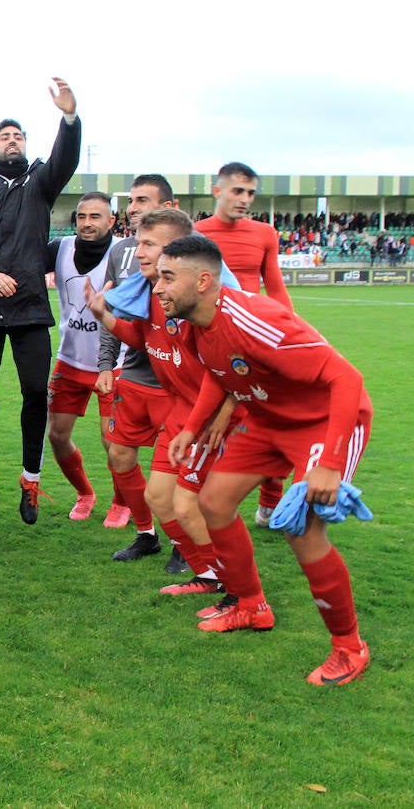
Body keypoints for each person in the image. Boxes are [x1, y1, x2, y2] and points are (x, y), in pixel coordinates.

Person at [159, 235, 372, 686]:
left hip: (326, 422)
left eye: (167, 277)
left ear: (203, 281)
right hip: (269, 418)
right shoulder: (196, 326)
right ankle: (251, 606)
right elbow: (222, 375)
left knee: (304, 531)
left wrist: (330, 462)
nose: (158, 287)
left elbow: (345, 377)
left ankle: (349, 648)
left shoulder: (255, 318)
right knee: (214, 502)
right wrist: (192, 429)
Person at [0, 78, 81, 524]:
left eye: (19, 136)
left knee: (34, 392)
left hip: (29, 312)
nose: (13, 141)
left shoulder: (39, 183)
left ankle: (31, 481)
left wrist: (68, 118)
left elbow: (65, 159)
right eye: (5, 136)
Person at [84, 209, 225, 594]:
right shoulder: (147, 290)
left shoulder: (194, 302)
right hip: (161, 396)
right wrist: (104, 315)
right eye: (138, 240)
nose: (138, 249)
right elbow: (143, 337)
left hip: (193, 407)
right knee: (144, 480)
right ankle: (203, 571)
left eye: (148, 243)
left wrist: (218, 414)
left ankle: (219, 574)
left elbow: (225, 366)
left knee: (191, 501)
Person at [194, 162, 291, 528]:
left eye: (251, 192)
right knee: (210, 421)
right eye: (237, 191)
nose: (245, 199)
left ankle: (270, 504)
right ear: (217, 191)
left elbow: (276, 288)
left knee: (267, 420)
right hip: (212, 337)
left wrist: (285, 332)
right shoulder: (198, 233)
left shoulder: (265, 233)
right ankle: (206, 498)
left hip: (256, 338)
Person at [95, 175, 182, 557]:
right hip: (135, 373)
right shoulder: (123, 254)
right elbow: (122, 315)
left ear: (169, 208)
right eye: (131, 201)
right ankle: (147, 534)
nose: (131, 208)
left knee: (175, 470)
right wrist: (104, 364)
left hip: (176, 384)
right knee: (119, 454)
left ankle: (186, 541)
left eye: (142, 200)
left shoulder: (192, 264)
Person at [44, 192, 120, 521]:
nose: (87, 223)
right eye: (82, 217)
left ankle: (123, 502)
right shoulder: (58, 249)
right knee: (57, 435)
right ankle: (85, 493)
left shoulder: (122, 254)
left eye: (95, 217)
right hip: (70, 361)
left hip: (114, 366)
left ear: (111, 221)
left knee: (114, 444)